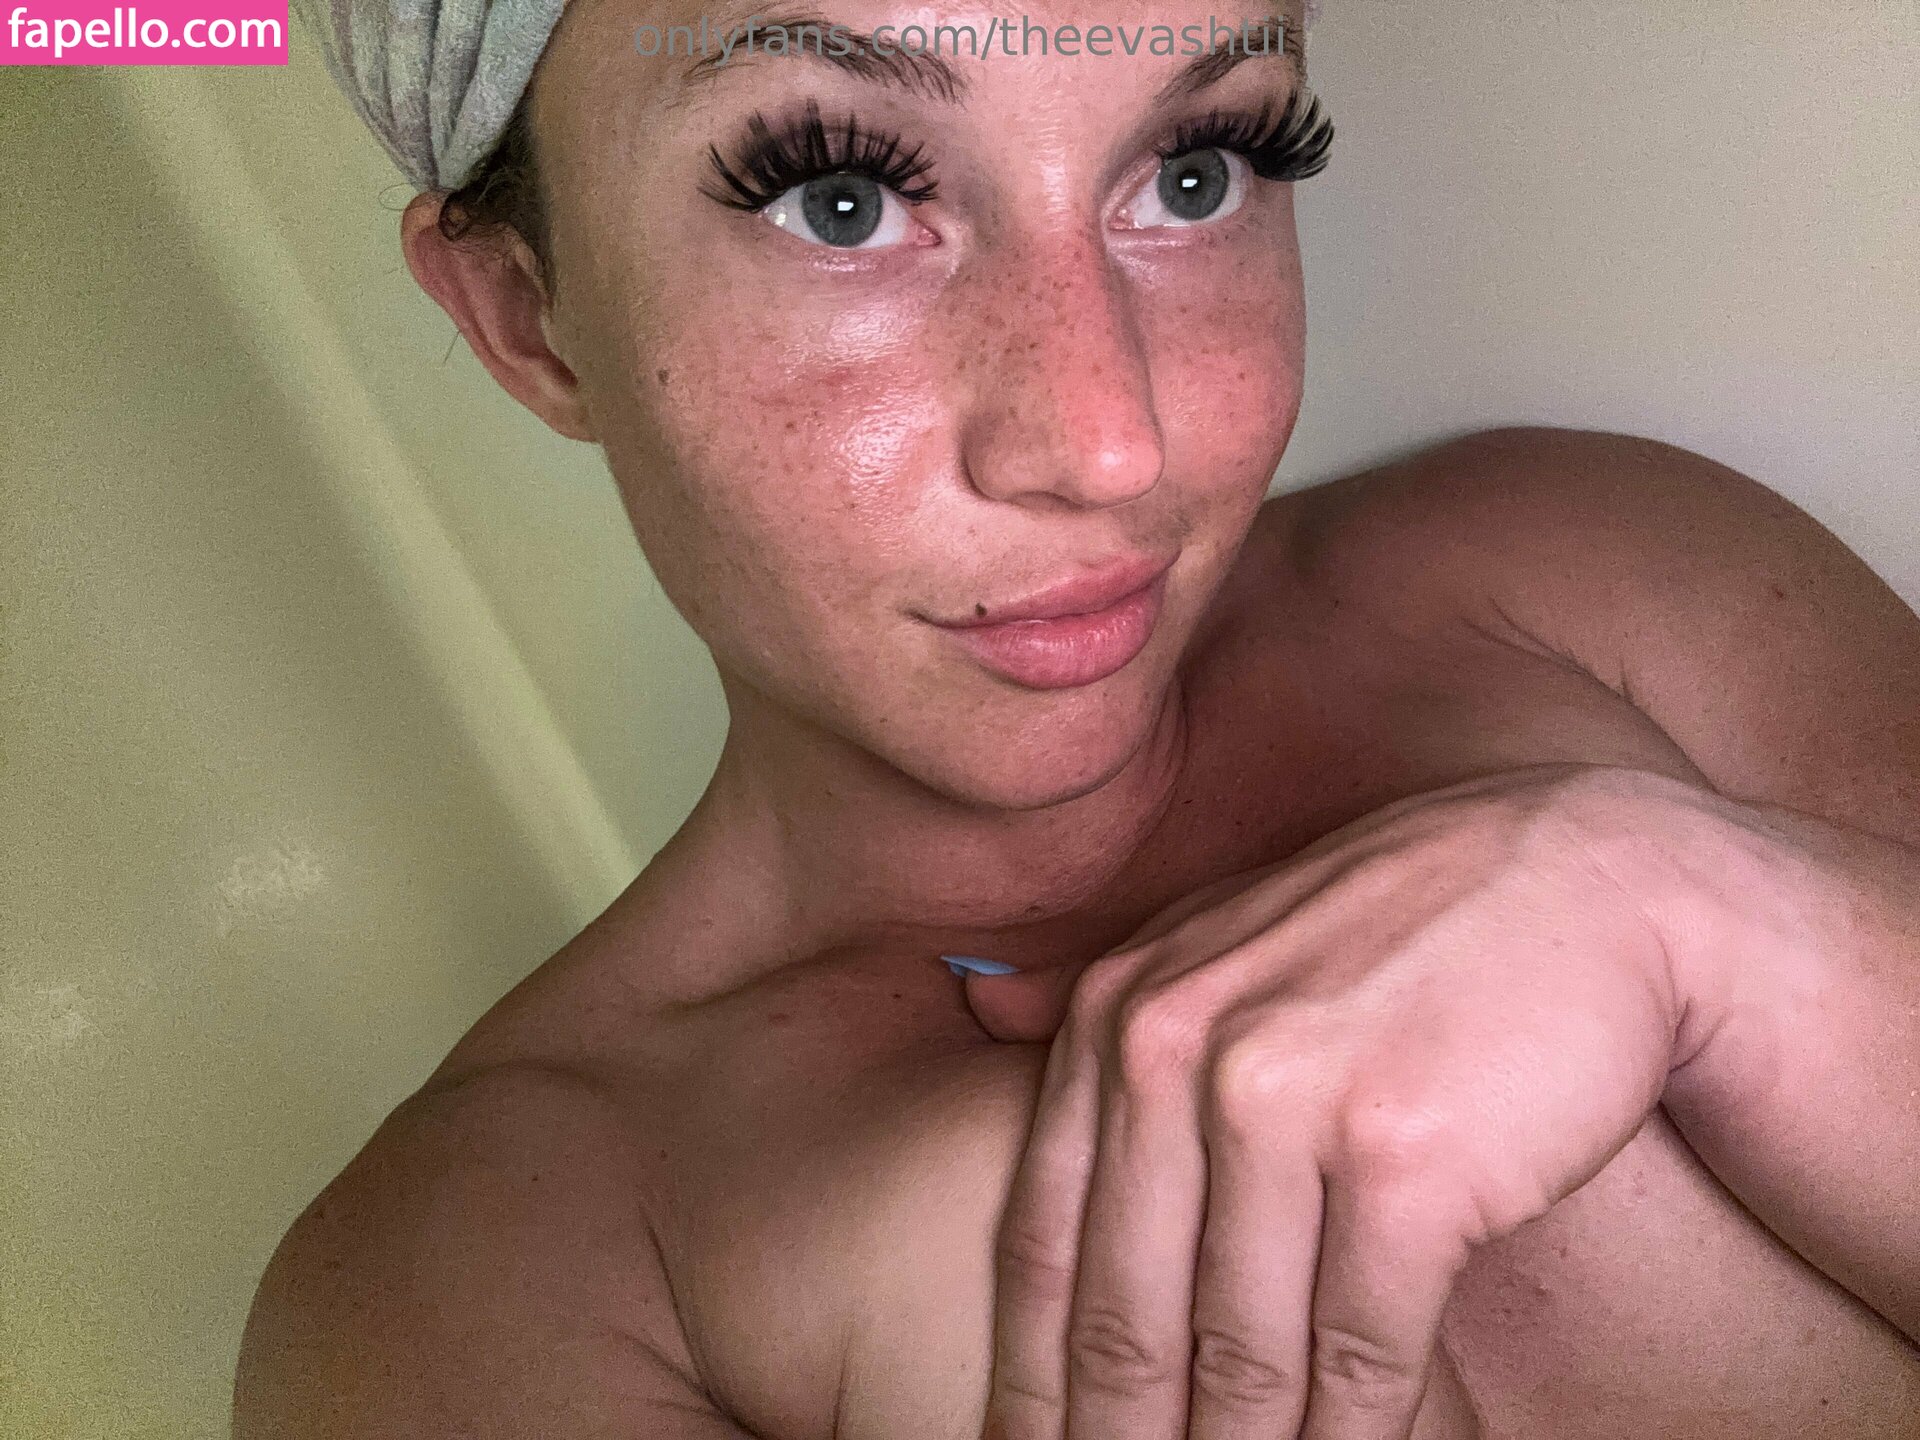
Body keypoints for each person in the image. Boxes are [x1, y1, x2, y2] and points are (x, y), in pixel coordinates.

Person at [233, 0, 1920, 1434]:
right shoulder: (482, 1284)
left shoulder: (1599, 576)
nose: (1110, 442)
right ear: (527, 319)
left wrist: (1718, 928)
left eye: (1198, 170)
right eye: (838, 197)